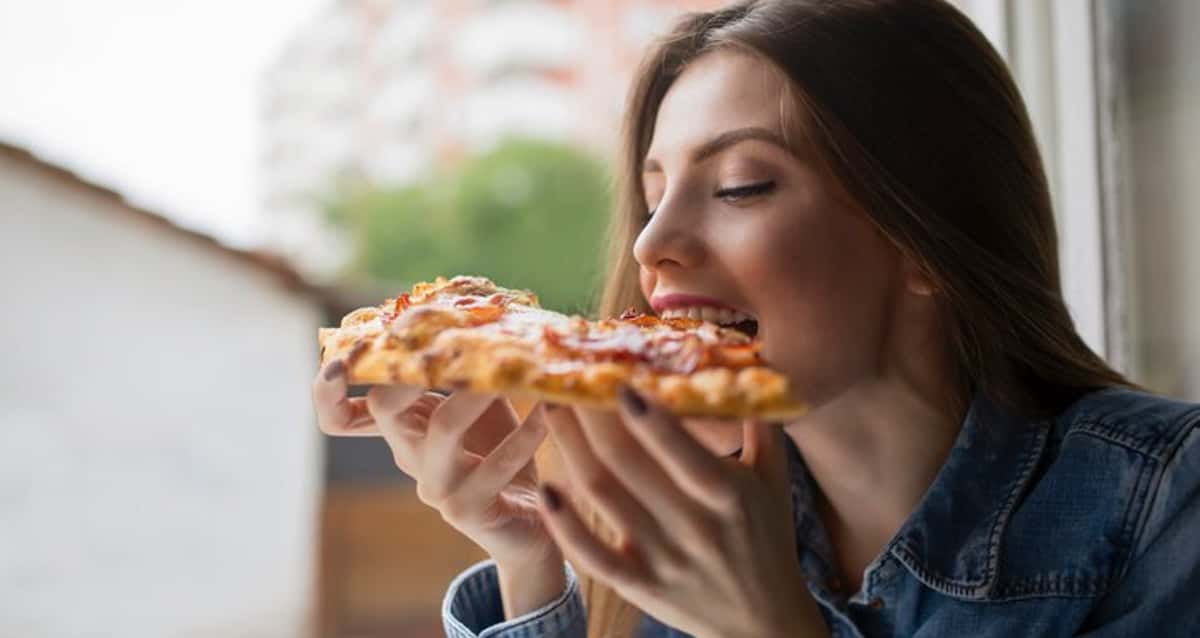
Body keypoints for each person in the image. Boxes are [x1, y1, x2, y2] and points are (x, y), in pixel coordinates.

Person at [312, 1, 1200, 636]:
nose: (653, 244)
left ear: (926, 241)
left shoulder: (1167, 501)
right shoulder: (681, 520)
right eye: (653, 195)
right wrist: (532, 561)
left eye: (741, 185)